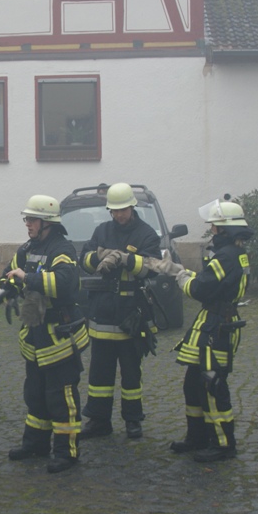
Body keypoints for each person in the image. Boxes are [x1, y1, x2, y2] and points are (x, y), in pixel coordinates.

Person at [0, 195, 90, 474]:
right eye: (27, 219)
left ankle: (67, 452)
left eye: (32, 219)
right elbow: (9, 272)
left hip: (60, 336)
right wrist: (4, 290)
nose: (28, 224)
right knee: (35, 393)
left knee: (61, 396)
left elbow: (65, 284)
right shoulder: (28, 248)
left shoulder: (62, 249)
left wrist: (27, 278)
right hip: (36, 334)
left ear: (47, 222)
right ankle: (36, 444)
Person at [169, 198, 253, 463]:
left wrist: (182, 278)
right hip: (214, 320)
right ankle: (197, 437)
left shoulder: (225, 256)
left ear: (225, 229)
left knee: (212, 383)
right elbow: (213, 282)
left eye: (214, 227)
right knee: (193, 383)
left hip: (218, 326)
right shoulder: (234, 253)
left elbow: (201, 289)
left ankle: (223, 444)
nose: (211, 231)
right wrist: (187, 273)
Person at [77, 183, 161, 440]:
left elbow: (151, 267)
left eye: (122, 210)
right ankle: (99, 420)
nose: (118, 215)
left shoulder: (146, 234)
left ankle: (133, 420)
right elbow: (84, 260)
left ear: (132, 207)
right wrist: (100, 256)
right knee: (99, 374)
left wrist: (125, 259)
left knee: (131, 374)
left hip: (131, 315)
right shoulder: (102, 230)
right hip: (102, 313)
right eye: (114, 211)